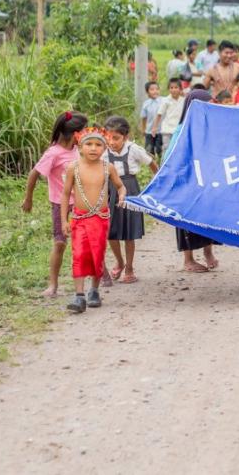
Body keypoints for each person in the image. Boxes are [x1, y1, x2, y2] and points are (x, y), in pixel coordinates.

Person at [22, 111, 88, 298]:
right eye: (83, 131)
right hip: (61, 205)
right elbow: (34, 174)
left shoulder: (79, 149)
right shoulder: (53, 153)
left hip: (82, 203)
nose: (86, 134)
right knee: (60, 243)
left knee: (86, 240)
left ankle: (100, 274)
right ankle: (53, 285)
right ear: (75, 133)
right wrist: (28, 198)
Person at [61, 126, 126, 313]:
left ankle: (94, 290)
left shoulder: (108, 168)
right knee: (79, 254)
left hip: (100, 219)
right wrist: (64, 220)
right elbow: (65, 195)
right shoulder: (73, 167)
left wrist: (122, 195)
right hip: (79, 219)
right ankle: (79, 296)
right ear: (79, 147)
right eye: (88, 144)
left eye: (98, 145)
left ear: (104, 148)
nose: (93, 148)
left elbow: (120, 187)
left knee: (97, 254)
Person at [102, 116, 157, 284]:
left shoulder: (134, 149)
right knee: (111, 231)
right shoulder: (103, 152)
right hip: (110, 191)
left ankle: (130, 267)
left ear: (125, 137)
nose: (111, 142)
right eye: (108, 138)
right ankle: (119, 261)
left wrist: (158, 182)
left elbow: (152, 163)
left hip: (130, 189)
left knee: (128, 232)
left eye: (116, 138)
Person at [175, 89, 219, 272]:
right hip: (187, 181)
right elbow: (172, 157)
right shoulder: (182, 129)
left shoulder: (211, 126)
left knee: (207, 217)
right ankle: (188, 259)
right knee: (187, 220)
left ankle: (208, 252)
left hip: (206, 178)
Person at [151, 77, 186, 150]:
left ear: (180, 89)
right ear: (168, 89)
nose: (173, 90)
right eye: (171, 88)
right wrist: (155, 127)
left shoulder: (183, 100)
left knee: (178, 148)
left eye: (176, 87)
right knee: (167, 148)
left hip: (179, 129)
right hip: (167, 129)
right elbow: (159, 114)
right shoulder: (165, 100)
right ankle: (165, 161)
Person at [140, 81, 163, 157]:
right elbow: (144, 117)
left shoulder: (163, 101)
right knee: (149, 150)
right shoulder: (146, 104)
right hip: (149, 131)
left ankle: (160, 161)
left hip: (160, 130)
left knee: (160, 149)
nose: (155, 91)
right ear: (147, 92)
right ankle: (151, 165)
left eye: (157, 89)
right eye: (152, 89)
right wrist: (143, 129)